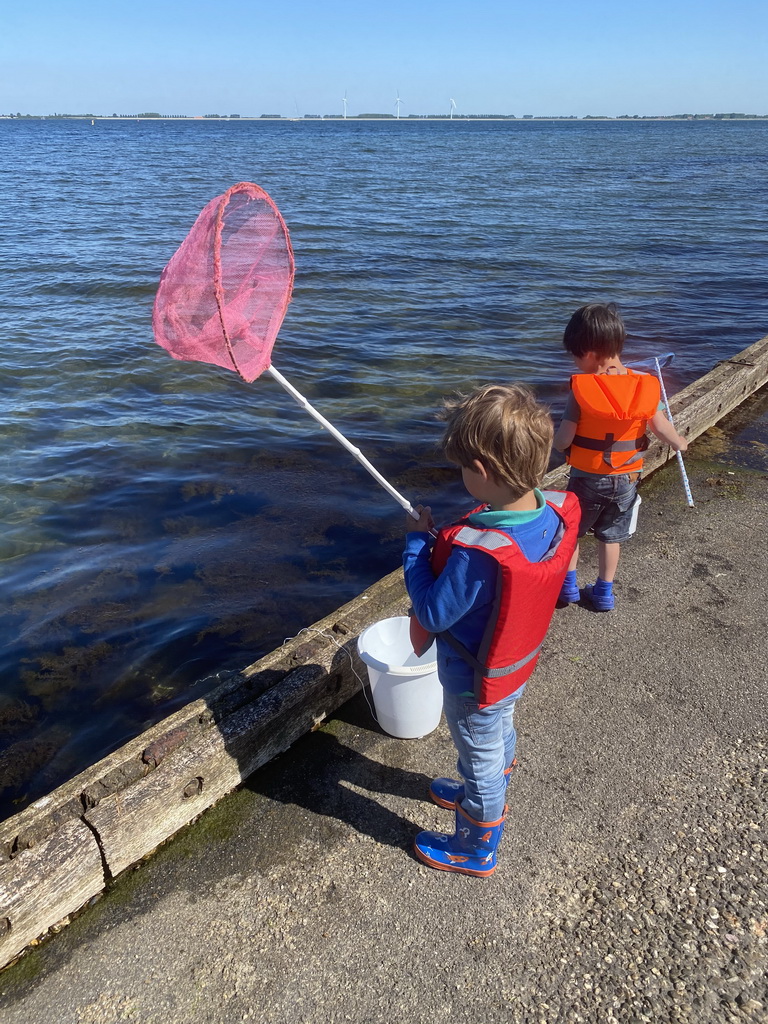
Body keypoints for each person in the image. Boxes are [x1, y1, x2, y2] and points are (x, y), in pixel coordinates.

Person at [403, 383, 580, 877]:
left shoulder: (479, 552)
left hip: (472, 678)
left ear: (480, 472)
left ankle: (475, 846)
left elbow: (434, 613)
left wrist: (417, 545)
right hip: (514, 665)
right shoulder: (548, 513)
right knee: (497, 730)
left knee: (477, 746)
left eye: (463, 467)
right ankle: (489, 779)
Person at [553, 302, 688, 611]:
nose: (575, 363)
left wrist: (556, 444)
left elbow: (564, 440)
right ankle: (603, 593)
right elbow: (662, 426)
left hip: (587, 478)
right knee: (610, 537)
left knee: (571, 533)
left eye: (575, 355)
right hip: (626, 479)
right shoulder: (645, 384)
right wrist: (679, 442)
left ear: (587, 353)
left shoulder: (582, 389)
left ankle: (568, 588)